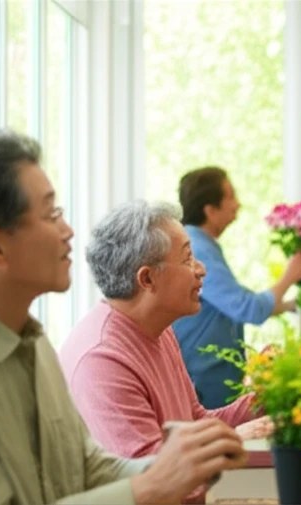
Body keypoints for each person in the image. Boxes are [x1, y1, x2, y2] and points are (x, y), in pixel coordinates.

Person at [0, 130, 246, 504]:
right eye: (51, 214)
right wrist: (151, 486)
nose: (68, 231)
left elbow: (84, 468)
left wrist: (176, 464)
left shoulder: (31, 342)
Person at [59, 200, 272, 504]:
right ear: (147, 279)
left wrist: (274, 392)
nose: (201, 269)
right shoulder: (102, 360)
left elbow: (195, 419)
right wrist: (232, 441)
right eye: (187, 258)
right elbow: (155, 484)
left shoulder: (158, 330)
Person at [173, 166, 301, 409]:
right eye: (231, 197)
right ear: (210, 210)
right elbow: (249, 309)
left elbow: (233, 309)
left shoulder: (202, 244)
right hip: (205, 384)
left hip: (213, 380)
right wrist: (289, 276)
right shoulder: (197, 249)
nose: (237, 205)